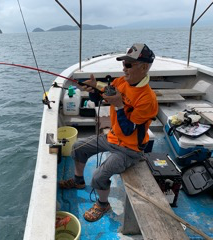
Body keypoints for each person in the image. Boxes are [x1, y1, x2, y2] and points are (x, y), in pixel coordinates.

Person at [59, 43, 158, 222]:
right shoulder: (120, 82)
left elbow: (129, 130)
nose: (124, 69)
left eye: (129, 65)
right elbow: (101, 96)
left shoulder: (147, 99)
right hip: (112, 137)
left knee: (98, 176)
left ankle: (103, 204)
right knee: (78, 147)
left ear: (144, 67)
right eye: (123, 64)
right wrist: (92, 91)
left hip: (130, 148)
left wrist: (119, 105)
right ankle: (79, 181)